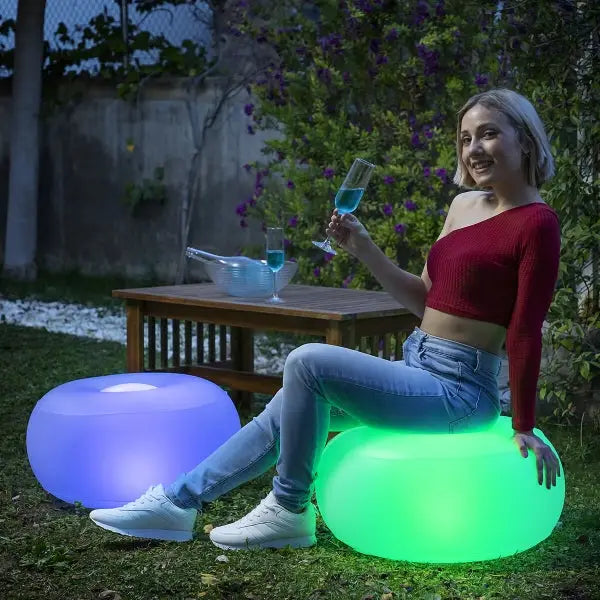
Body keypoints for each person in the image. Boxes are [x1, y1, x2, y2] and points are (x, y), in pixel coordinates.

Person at [89, 88, 562, 550]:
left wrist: (523, 423)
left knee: (307, 363)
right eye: (464, 138)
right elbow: (424, 300)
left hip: (459, 393)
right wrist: (363, 247)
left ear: (524, 140)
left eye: (488, 134)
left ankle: (289, 508)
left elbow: (524, 331)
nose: (473, 149)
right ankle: (178, 502)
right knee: (285, 408)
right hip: (418, 368)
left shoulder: (537, 223)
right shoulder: (462, 206)